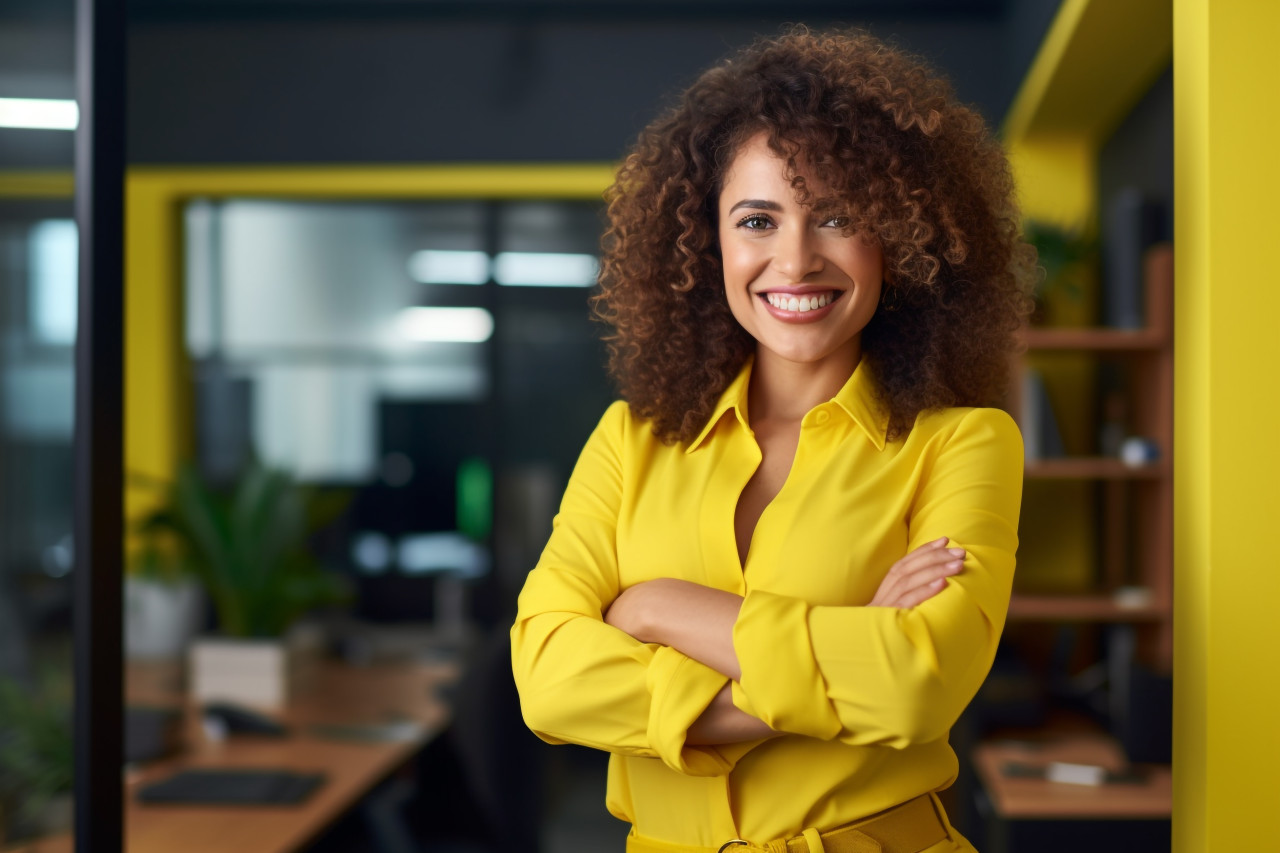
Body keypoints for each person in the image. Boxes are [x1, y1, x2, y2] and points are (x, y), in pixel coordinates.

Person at [511, 27, 1033, 853]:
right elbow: (546, 682)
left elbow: (913, 688)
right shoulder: (627, 440)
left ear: (898, 240)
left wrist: (658, 609)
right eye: (758, 219)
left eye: (837, 216)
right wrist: (842, 646)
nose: (795, 260)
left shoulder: (965, 444)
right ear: (704, 240)